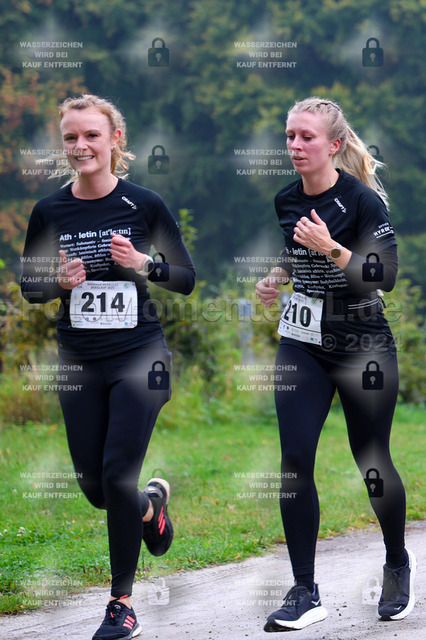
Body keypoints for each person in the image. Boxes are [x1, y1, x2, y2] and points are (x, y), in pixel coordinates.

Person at [21, 94, 195, 640]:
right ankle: (150, 508)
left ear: (115, 139)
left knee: (118, 473)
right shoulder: (50, 210)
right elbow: (30, 287)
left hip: (141, 357)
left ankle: (121, 604)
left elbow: (186, 278)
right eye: (71, 137)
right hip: (79, 362)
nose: (81, 146)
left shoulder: (143, 203)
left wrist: (144, 264)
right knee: (98, 488)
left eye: (91, 135)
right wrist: (57, 283)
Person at [255, 97, 416, 632]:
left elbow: (385, 275)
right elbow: (294, 249)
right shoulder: (286, 198)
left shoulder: (361, 201)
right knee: (295, 458)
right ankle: (304, 591)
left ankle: (397, 562)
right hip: (302, 344)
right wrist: (276, 277)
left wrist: (332, 249)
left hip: (363, 345)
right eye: (290, 136)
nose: (295, 146)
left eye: (306, 137)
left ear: (334, 144)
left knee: (371, 460)